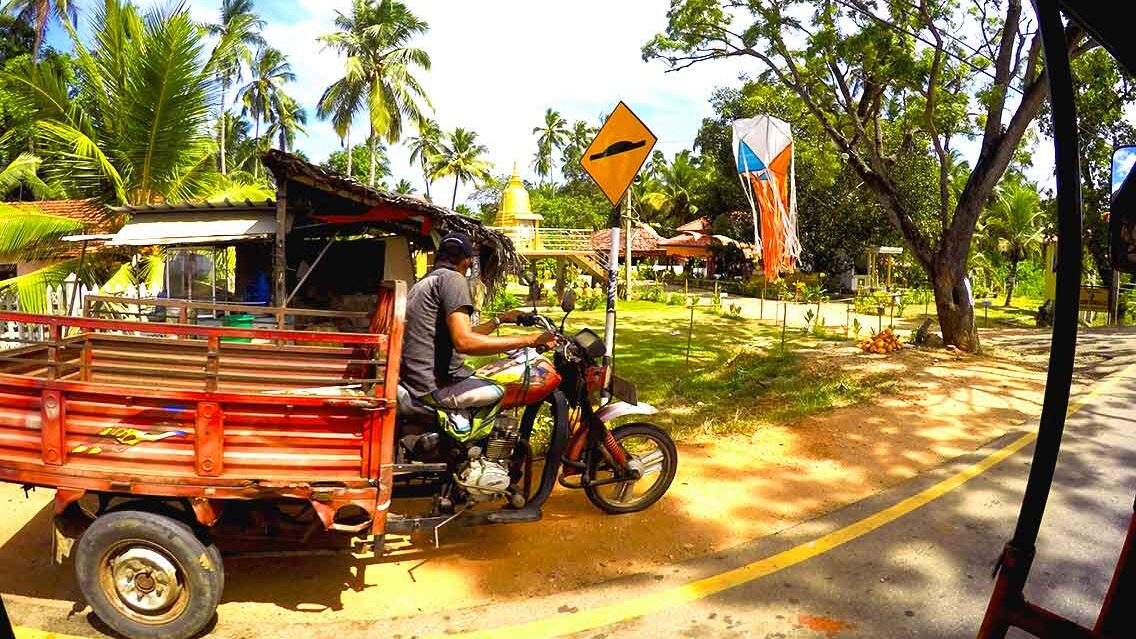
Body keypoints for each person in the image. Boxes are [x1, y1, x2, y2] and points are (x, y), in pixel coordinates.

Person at [399, 232, 555, 439]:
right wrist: (531, 340)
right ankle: (471, 448)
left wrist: (500, 320)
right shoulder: (453, 279)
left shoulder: (427, 281)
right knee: (501, 389)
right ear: (468, 261)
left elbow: (463, 333)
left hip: (417, 380)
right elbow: (464, 342)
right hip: (434, 384)